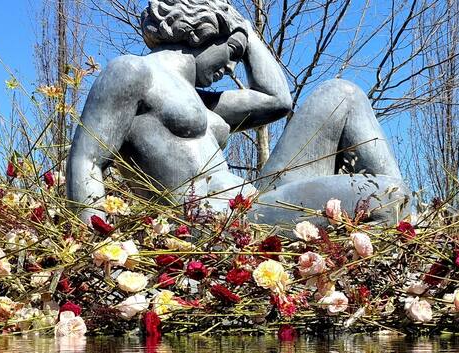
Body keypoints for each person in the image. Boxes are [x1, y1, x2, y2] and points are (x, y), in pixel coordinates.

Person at [65, 0, 410, 225]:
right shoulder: (132, 72)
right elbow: (87, 161)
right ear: (200, 32)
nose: (232, 65)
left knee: (342, 94)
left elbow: (278, 100)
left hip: (254, 201)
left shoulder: (200, 100)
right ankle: (408, 220)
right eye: (232, 51)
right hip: (219, 221)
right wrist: (96, 247)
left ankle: (412, 216)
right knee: (388, 197)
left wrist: (246, 32)